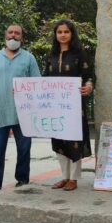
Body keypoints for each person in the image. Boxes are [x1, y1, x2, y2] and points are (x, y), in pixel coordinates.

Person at [0, 24, 41, 196]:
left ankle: (22, 180)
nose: (13, 35)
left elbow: (36, 84)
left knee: (24, 149)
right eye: (10, 32)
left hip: (24, 113)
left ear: (22, 38)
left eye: (17, 33)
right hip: (0, 111)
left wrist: (27, 90)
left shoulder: (29, 58)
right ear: (5, 35)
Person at [42, 20, 94, 192]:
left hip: (74, 106)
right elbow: (44, 80)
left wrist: (88, 86)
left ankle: (74, 178)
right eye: (59, 32)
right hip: (55, 106)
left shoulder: (80, 55)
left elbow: (89, 76)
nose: (63, 35)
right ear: (55, 35)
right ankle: (64, 177)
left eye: (66, 32)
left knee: (74, 141)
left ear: (72, 34)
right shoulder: (51, 56)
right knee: (58, 141)